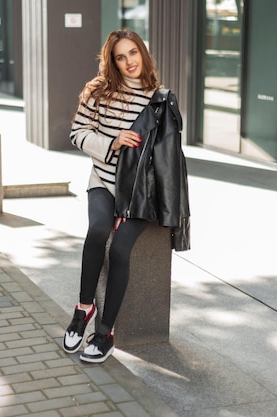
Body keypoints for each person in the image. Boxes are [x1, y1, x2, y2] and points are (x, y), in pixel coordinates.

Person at [66, 29, 190, 363]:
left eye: (133, 53)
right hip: (103, 182)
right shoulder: (97, 92)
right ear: (112, 61)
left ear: (142, 53)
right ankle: (83, 309)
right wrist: (112, 142)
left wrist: (131, 202)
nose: (129, 62)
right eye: (120, 56)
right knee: (97, 231)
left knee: (120, 249)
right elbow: (77, 134)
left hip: (139, 193)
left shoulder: (159, 99)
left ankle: (105, 332)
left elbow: (163, 157)